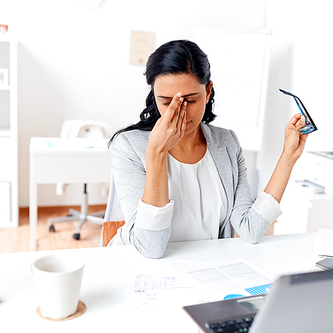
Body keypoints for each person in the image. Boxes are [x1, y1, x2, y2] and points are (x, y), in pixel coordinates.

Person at [107, 40, 309, 258]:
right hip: (138, 266)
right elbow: (150, 248)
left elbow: (251, 230)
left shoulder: (227, 143)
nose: (180, 113)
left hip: (206, 268)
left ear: (208, 91)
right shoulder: (129, 147)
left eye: (191, 100)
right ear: (153, 93)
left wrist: (288, 156)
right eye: (166, 102)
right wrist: (156, 152)